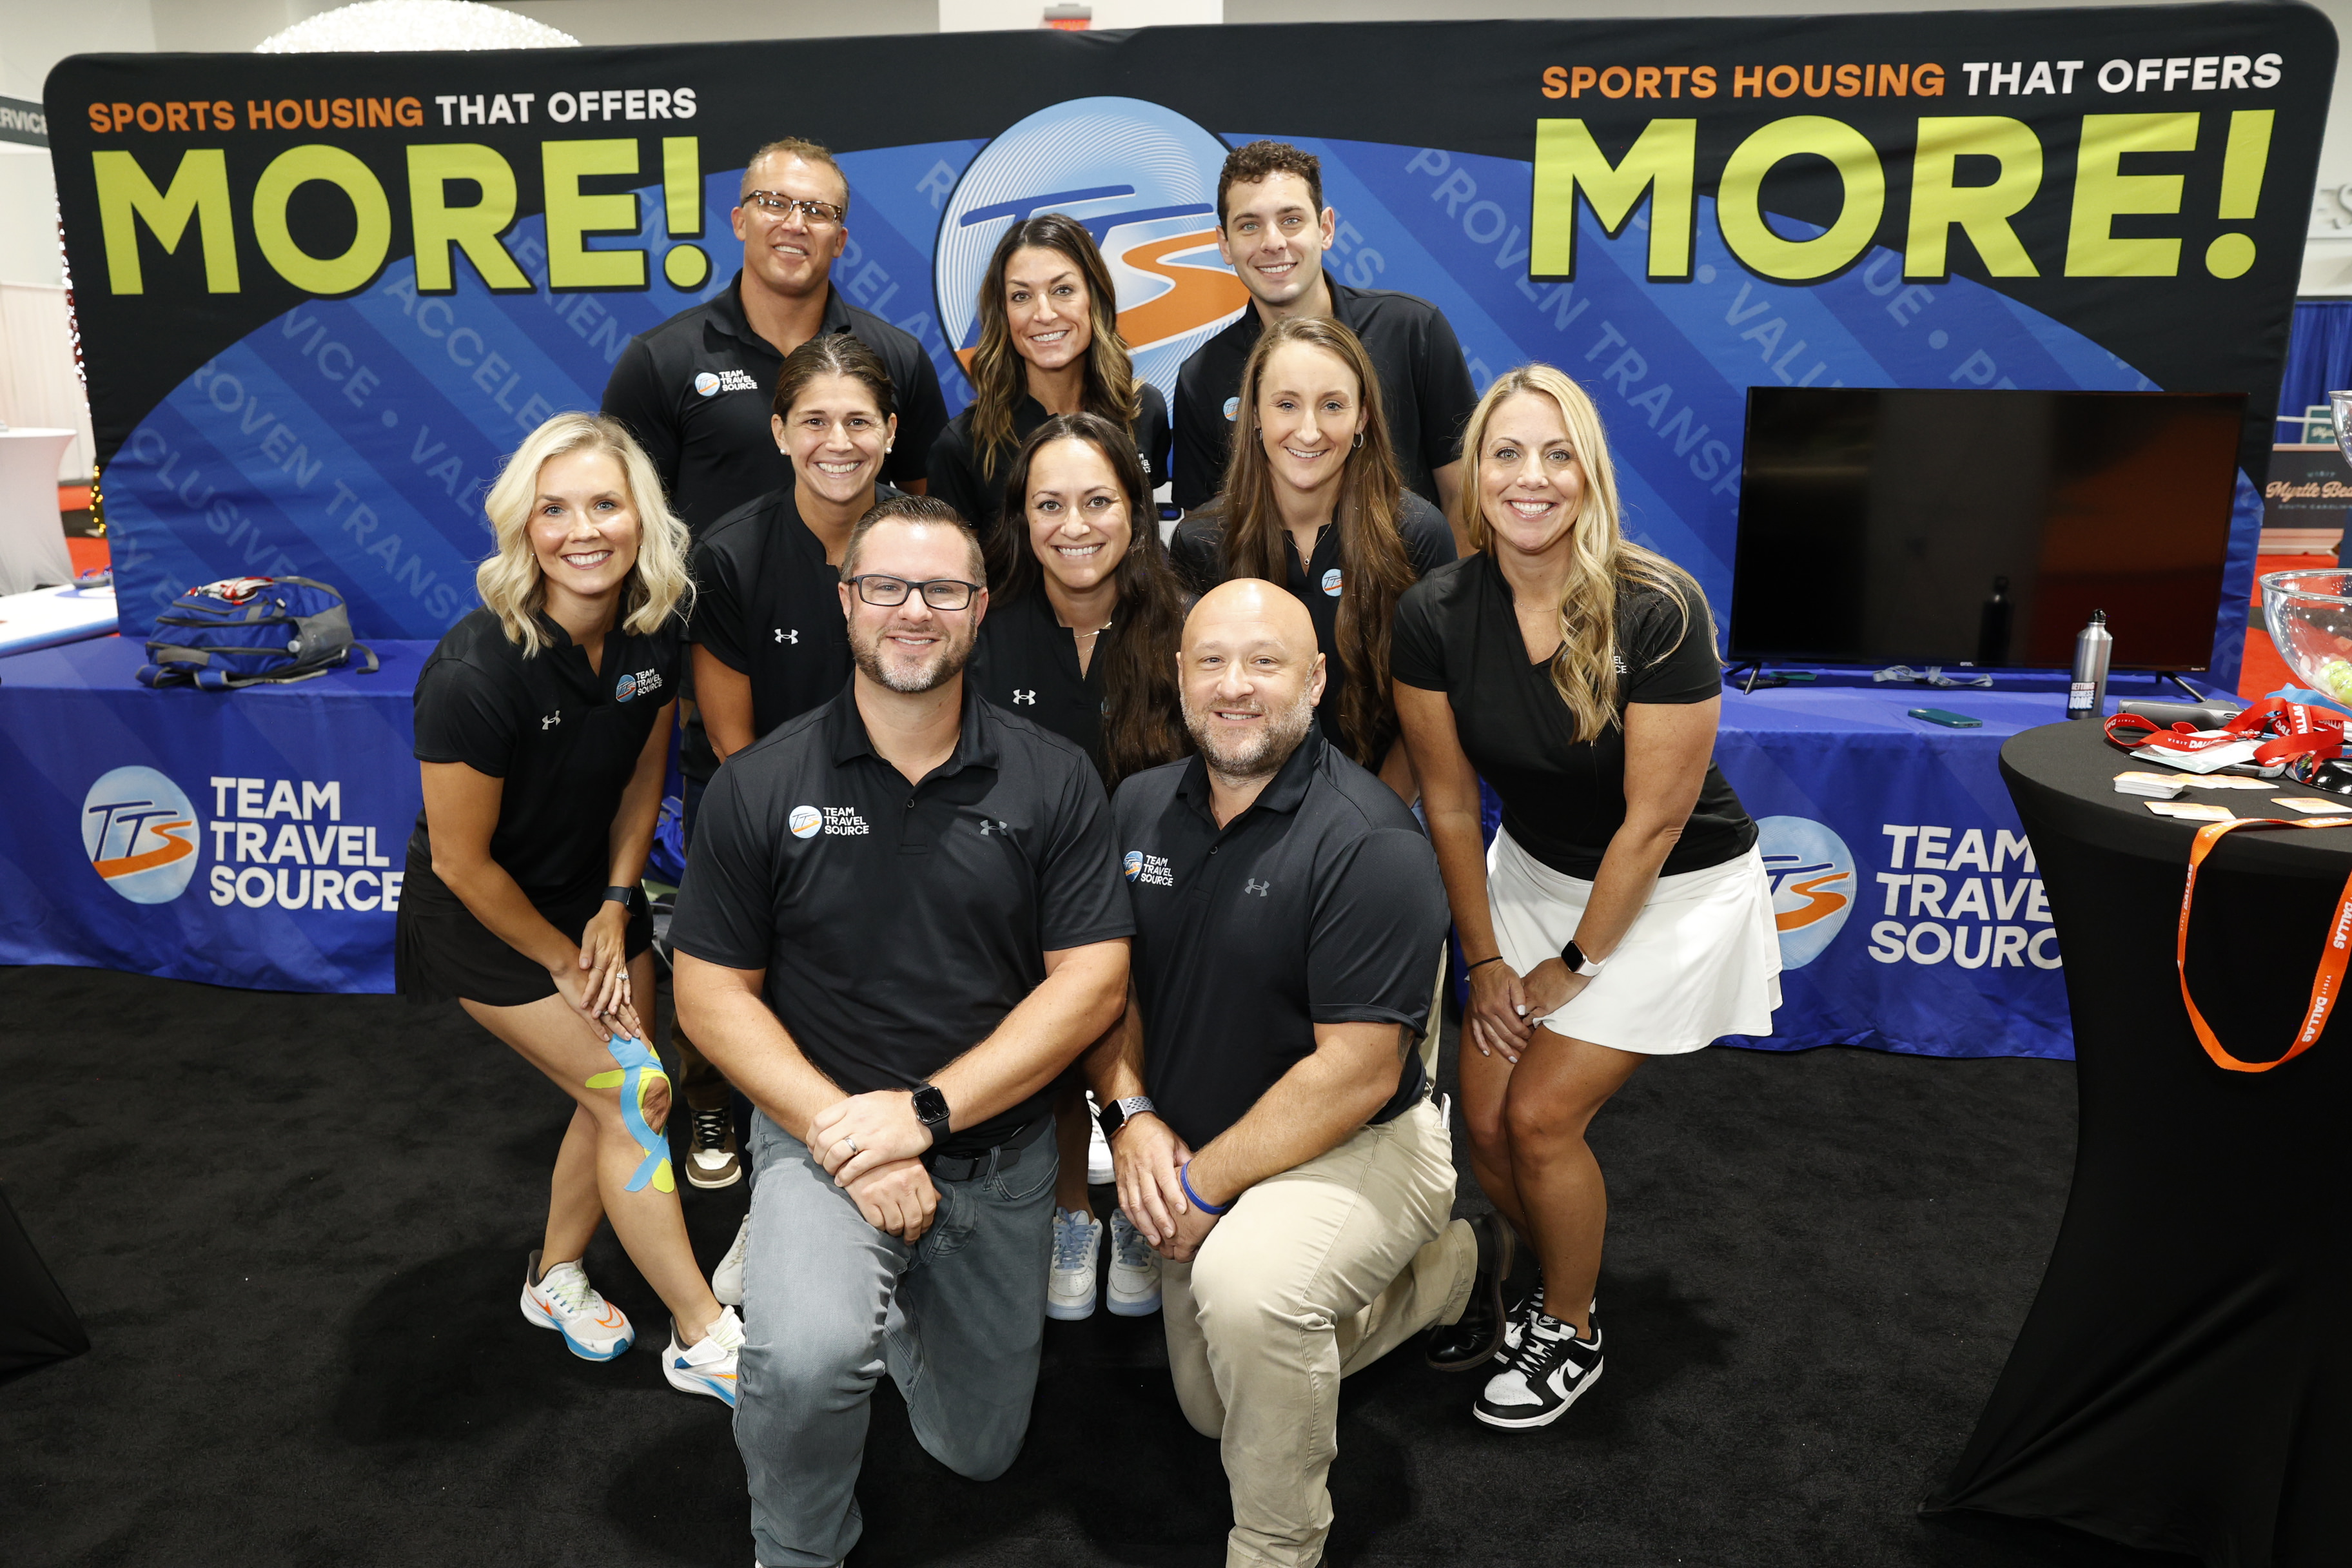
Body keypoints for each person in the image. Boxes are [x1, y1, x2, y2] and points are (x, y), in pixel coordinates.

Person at [669, 495, 1132, 1568]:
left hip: (997, 1159)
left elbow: (1093, 980)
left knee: (977, 1450)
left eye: (941, 590)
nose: (911, 610)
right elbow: (708, 997)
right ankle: (796, 1542)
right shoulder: (760, 783)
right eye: (885, 586)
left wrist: (921, 1116)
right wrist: (847, 1133)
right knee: (811, 1357)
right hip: (821, 1145)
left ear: (978, 611)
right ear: (846, 602)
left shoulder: (1051, 776)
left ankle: (888, 1308)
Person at [1090, 578, 1513, 1568]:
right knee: (1212, 1408)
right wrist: (1135, 1115)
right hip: (1199, 1142)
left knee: (1250, 1298)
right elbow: (1106, 995)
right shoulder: (1138, 807)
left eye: (1266, 662)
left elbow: (1358, 1075)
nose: (1236, 687)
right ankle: (1449, 1273)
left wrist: (1196, 1185)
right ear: (1180, 678)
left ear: (1316, 680)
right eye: (1212, 663)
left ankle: (1279, 1545)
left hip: (1359, 1144)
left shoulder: (1371, 841)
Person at [1391, 364, 1779, 1429]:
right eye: (1506, 453)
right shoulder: (1431, 614)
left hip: (1667, 890)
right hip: (1529, 874)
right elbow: (1450, 806)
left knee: (1539, 1116)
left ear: (1588, 472)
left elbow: (1650, 826)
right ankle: (1530, 1278)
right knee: (1482, 1121)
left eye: (1555, 453)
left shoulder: (1654, 607)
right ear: (1473, 473)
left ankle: (1569, 1322)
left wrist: (1568, 967)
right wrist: (1483, 964)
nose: (1530, 476)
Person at [603, 136, 948, 1190]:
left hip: (880, 714)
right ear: (739, 220)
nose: (794, 223)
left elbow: (927, 514)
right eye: (772, 203)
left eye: (816, 210)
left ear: (843, 234)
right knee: (732, 933)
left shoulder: (892, 355)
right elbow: (630, 531)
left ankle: (891, 1101)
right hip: (727, 694)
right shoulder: (663, 361)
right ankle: (713, 1103)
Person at [395, 411, 741, 1404]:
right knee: (635, 1093)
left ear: (642, 516)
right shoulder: (474, 670)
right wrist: (561, 956)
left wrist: (617, 902)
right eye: (555, 510)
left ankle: (553, 1278)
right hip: (486, 923)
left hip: (589, 902)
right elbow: (462, 865)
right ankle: (702, 1334)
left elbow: (643, 773)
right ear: (524, 527)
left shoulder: (654, 627)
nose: (582, 530)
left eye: (604, 504)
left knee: (624, 1088)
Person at [968, 412, 1191, 1323]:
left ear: (1136, 511)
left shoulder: (1184, 622)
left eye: (1098, 501)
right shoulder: (986, 629)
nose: (1075, 525)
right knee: (1045, 1001)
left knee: (1168, 1006)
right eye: (1049, 504)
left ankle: (1142, 1209)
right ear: (1021, 518)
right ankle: (1073, 1214)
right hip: (1031, 900)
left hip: (1164, 888)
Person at [1170, 315, 1454, 799]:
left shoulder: (1418, 535)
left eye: (1332, 406)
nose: (1309, 431)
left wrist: (1371, 819)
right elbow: (1204, 711)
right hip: (1242, 799)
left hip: (1386, 801)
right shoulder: (1201, 541)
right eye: (1286, 404)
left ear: (1362, 416)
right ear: (1254, 415)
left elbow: (1430, 719)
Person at [1171, 139, 1478, 546]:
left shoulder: (1413, 331)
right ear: (1224, 244)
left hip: (1409, 600)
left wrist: (1442, 606)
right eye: (1249, 225)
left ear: (1326, 228)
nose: (1273, 242)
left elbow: (1463, 497)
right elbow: (1207, 538)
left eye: (1291, 220)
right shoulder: (1201, 377)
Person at [928, 213, 1171, 549]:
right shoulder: (962, 447)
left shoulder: (1143, 410)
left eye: (1063, 290)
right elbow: (956, 579)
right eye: (1021, 296)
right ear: (1003, 313)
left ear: (1094, 299)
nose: (1044, 314)